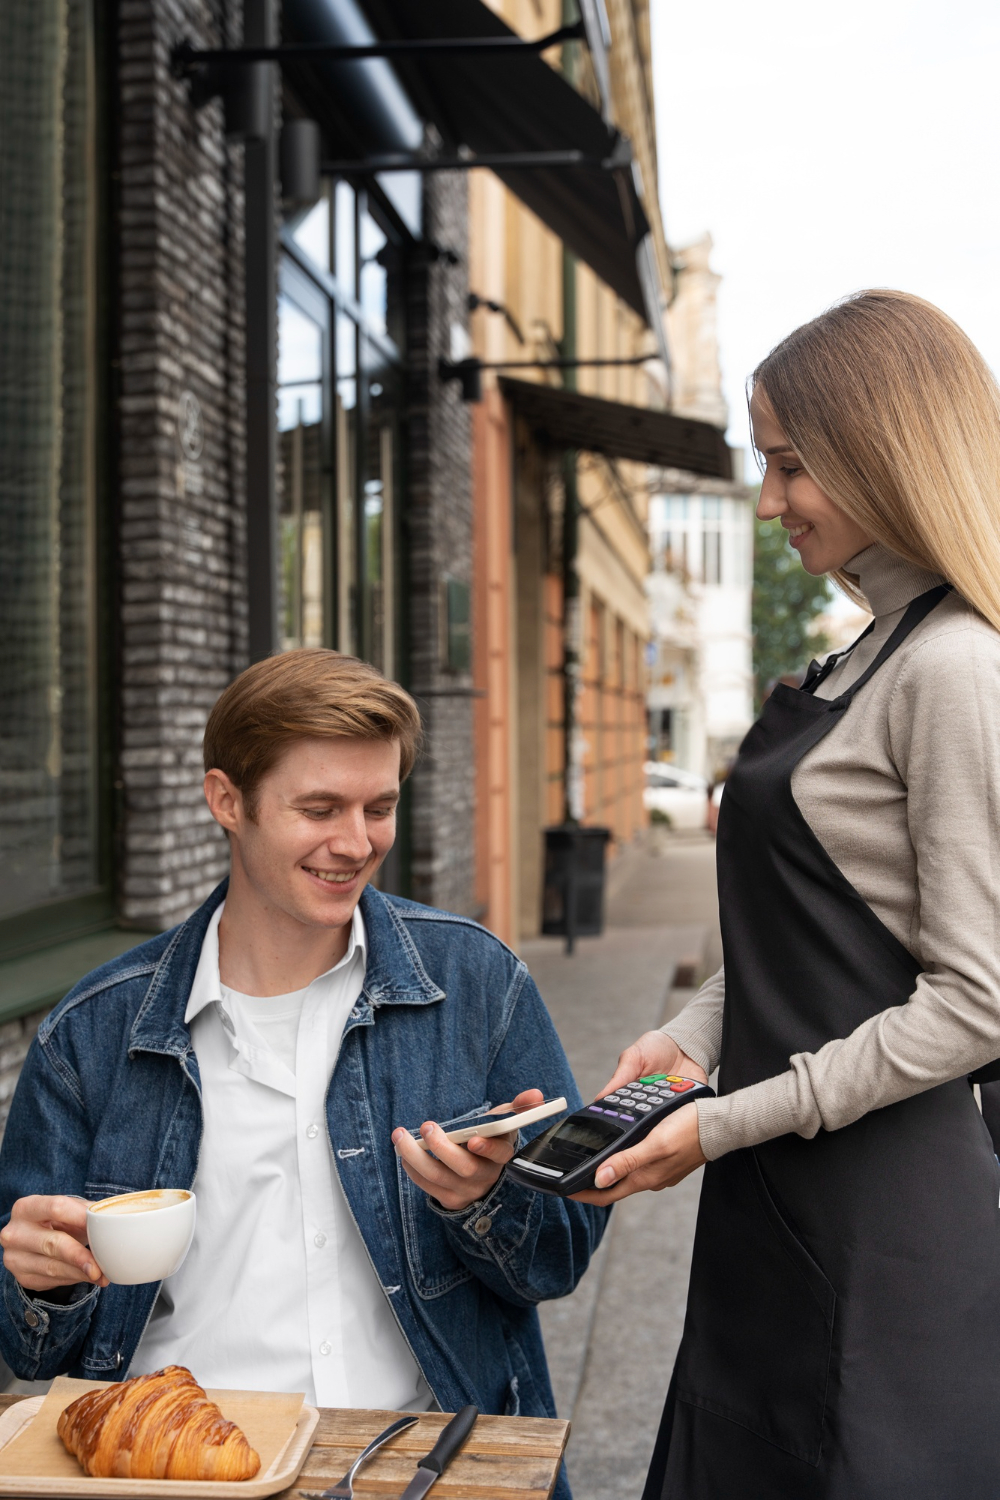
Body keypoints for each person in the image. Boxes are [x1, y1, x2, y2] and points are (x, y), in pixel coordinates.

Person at [575, 291, 1000, 1498]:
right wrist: (686, 1040)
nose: (768, 502)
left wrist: (713, 1123)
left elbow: (977, 1002)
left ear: (886, 446)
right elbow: (801, 938)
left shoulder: (955, 668)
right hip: (779, 1203)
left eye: (789, 464)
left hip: (885, 1232)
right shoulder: (853, 657)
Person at [0, 651, 606, 1489]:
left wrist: (487, 1200)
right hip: (185, 1469)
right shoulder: (91, 1034)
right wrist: (38, 1284)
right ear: (227, 802)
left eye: (379, 807)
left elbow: (560, 1258)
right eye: (318, 808)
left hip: (420, 1466)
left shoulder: (476, 982)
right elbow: (35, 1351)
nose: (356, 843)